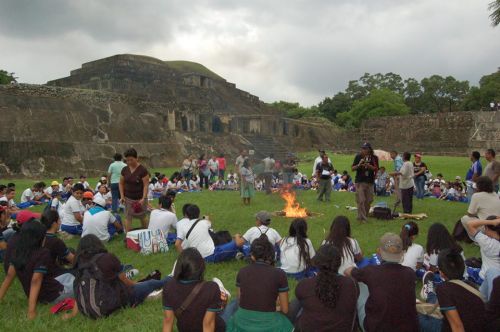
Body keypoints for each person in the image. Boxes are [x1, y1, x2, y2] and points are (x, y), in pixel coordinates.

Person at [63, 234, 170, 320]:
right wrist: (136, 285)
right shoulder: (107, 258)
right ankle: (169, 280)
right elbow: (124, 279)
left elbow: (79, 291)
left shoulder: (79, 264)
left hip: (90, 312)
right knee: (150, 284)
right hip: (110, 304)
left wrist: (72, 314)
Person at [0, 220, 75, 320]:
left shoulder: (18, 251)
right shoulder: (43, 253)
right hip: (53, 296)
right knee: (81, 285)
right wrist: (31, 311)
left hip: (37, 294)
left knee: (68, 276)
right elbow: (36, 281)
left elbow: (9, 276)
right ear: (38, 238)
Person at [345, 233, 418, 332]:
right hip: (409, 327)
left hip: (376, 327)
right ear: (402, 253)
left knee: (360, 285)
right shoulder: (410, 273)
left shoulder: (370, 272)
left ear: (379, 251)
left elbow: (348, 271)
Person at [225, 236, 293, 332]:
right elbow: (285, 309)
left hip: (241, 323)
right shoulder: (279, 274)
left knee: (233, 304)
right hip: (269, 325)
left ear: (252, 255)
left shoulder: (242, 272)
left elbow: (241, 302)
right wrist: (275, 307)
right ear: (272, 254)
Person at [291, 245, 358, 331]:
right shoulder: (351, 284)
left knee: (298, 303)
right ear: (339, 262)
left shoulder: (304, 285)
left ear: (317, 262)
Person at [419, 249, 486, 332]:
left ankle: (429, 292)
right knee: (433, 305)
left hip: (448, 327)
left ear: (441, 273)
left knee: (414, 315)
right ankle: (430, 292)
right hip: (479, 327)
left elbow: (457, 327)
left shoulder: (444, 289)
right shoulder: (471, 285)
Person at [162, 248, 227, 332]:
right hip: (216, 328)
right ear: (201, 267)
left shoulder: (168, 287)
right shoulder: (211, 288)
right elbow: (208, 325)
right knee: (232, 309)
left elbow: (168, 321)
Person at [175, 205, 241, 263]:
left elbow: (177, 244)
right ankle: (247, 253)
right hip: (211, 254)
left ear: (187, 215)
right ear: (199, 213)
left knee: (232, 245)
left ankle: (237, 254)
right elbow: (209, 223)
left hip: (199, 257)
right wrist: (207, 218)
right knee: (237, 241)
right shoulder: (204, 222)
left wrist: (186, 258)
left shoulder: (184, 227)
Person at [119, 148, 149, 232]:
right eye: (127, 160)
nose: (129, 162)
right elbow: (121, 183)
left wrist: (144, 198)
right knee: (128, 217)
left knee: (142, 216)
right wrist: (122, 196)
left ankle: (146, 232)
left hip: (140, 198)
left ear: (137, 158)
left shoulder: (143, 170)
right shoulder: (124, 169)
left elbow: (146, 185)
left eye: (131, 160)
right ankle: (128, 236)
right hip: (128, 197)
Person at [464, 217, 500, 283]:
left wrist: (492, 222)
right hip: (496, 279)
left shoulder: (488, 243)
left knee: (464, 270)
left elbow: (469, 224)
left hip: (485, 279)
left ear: (487, 228)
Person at [351, 142, 379, 222]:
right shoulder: (358, 157)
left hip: (370, 181)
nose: (363, 150)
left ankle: (364, 215)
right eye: (362, 148)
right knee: (361, 200)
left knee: (369, 200)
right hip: (360, 181)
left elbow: (376, 169)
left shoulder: (374, 158)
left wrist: (369, 166)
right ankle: (362, 218)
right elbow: (352, 169)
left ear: (369, 149)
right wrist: (359, 165)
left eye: (365, 148)